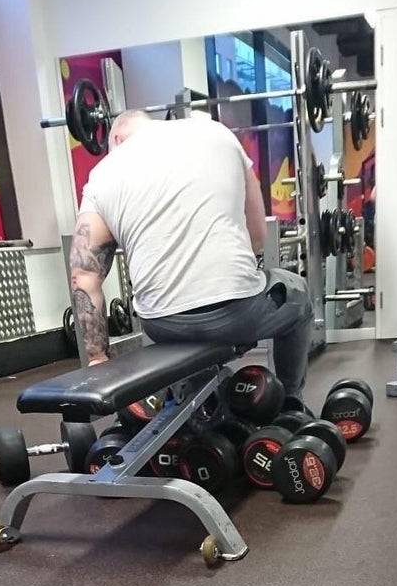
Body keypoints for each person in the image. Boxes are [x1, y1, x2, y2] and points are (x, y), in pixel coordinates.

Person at [69, 109, 313, 410]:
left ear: (117, 137)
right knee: (299, 296)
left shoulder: (102, 175)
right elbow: (258, 235)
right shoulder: (216, 132)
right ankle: (290, 404)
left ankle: (202, 417)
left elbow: (83, 277)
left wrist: (98, 360)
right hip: (240, 311)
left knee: (178, 332)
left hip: (162, 324)